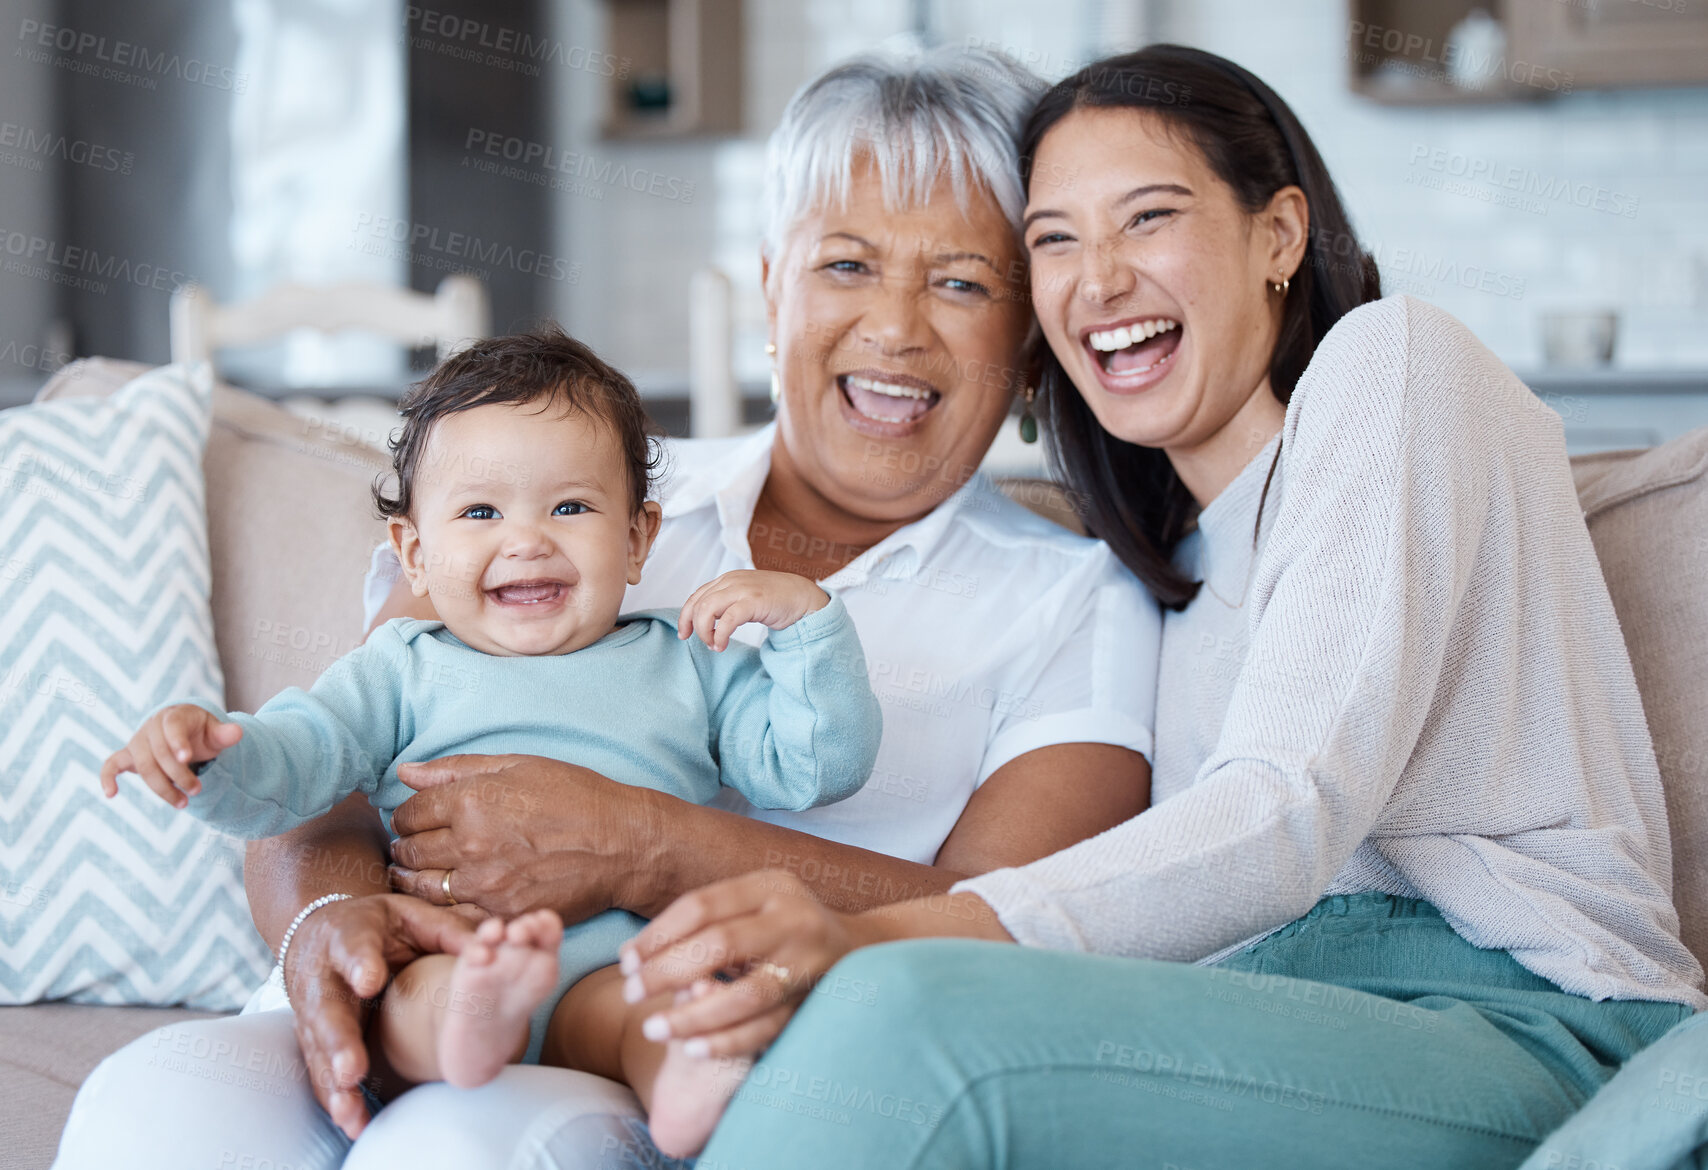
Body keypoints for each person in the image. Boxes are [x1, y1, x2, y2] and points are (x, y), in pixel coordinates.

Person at [53, 45, 1162, 1170]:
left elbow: (1013, 925)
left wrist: (647, 845)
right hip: (409, 993)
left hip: (679, 1040)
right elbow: (328, 762)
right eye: (846, 264)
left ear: (1029, 343)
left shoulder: (1078, 598)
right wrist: (328, 934)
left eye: (962, 281)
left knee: (448, 1155)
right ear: (773, 285)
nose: (895, 326)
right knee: (142, 1114)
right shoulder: (568, 483)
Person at [615, 45, 1708, 1167]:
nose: (1098, 280)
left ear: (1278, 234)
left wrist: (863, 935)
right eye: (1054, 240)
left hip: (1519, 1024)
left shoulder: (1393, 369)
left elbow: (1284, 813)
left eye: (1147, 219)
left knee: (900, 1017)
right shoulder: (1162, 566)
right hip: (1268, 1028)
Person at [98, 327, 883, 1096]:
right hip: (449, 953)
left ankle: (688, 1083)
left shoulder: (689, 660)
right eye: (480, 513)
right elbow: (296, 765)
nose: (528, 541)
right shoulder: (398, 667)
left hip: (622, 968)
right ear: (414, 553)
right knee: (416, 997)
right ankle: (477, 1029)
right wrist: (215, 754)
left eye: (571, 507)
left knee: (654, 1017)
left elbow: (814, 766)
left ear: (639, 537)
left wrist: (808, 629)